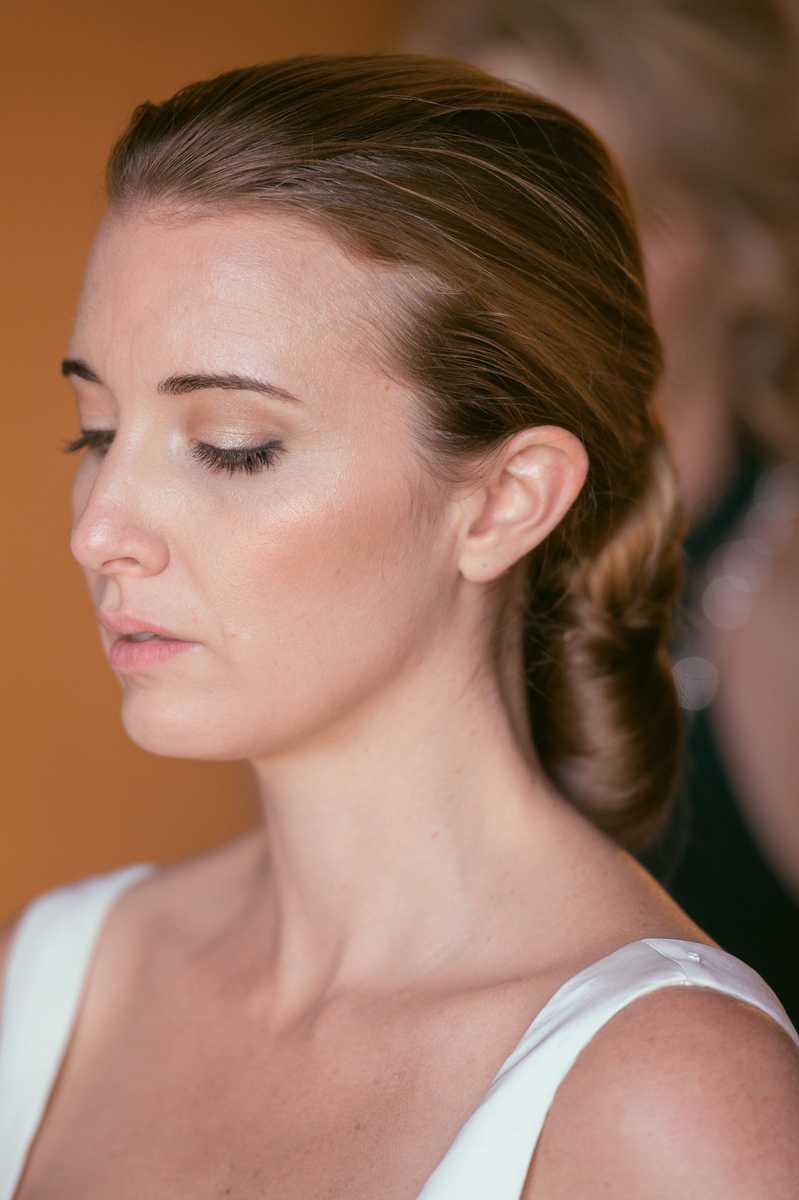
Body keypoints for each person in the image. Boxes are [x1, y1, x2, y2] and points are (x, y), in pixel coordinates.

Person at [1, 54, 798, 1198]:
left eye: (231, 447)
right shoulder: (54, 984)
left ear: (504, 500)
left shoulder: (670, 1105)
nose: (99, 531)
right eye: (96, 431)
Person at [405, 0, 799, 1025]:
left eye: (578, 215)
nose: (490, 272)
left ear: (746, 252)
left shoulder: (779, 612)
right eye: (460, 207)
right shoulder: (407, 556)